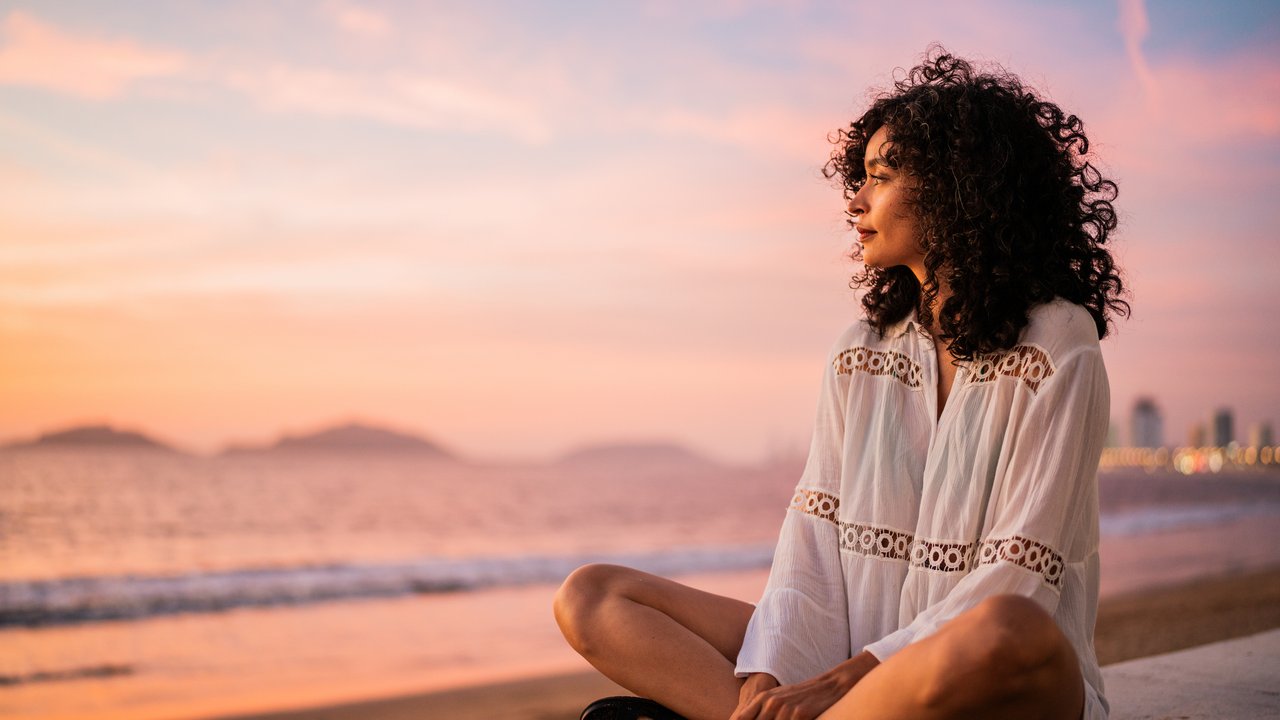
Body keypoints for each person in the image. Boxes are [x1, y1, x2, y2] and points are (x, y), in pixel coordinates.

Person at [554, 46, 1129, 720]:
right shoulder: (860, 352)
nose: (855, 201)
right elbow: (811, 540)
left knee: (1008, 627)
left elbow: (1020, 575)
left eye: (880, 177)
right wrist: (769, 671)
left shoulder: (1059, 341)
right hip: (850, 667)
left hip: (987, 677)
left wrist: (846, 680)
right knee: (592, 595)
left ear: (960, 189)